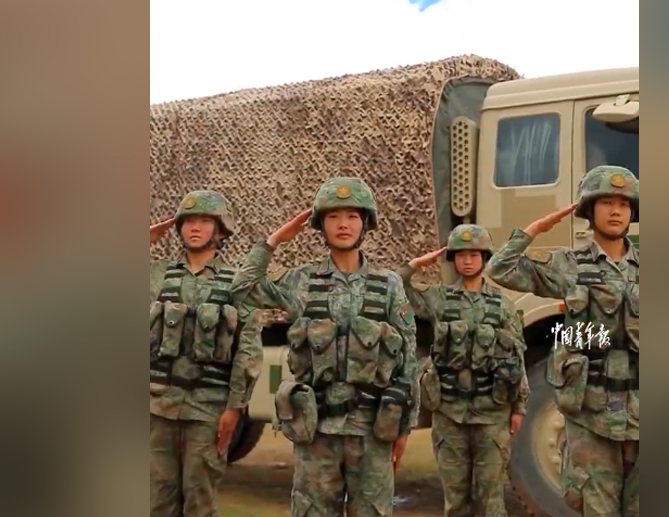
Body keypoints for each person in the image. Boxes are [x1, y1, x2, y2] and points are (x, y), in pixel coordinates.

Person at [229, 177, 419, 517]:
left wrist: (404, 426)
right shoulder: (301, 281)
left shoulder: (388, 285)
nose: (343, 224)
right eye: (333, 216)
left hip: (372, 432)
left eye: (352, 216)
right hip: (316, 433)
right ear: (320, 225)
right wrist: (273, 242)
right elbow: (240, 289)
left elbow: (407, 358)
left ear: (365, 224)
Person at [487, 165, 639, 517]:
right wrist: (534, 230)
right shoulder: (569, 265)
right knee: (596, 508)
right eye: (606, 203)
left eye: (623, 204)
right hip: (591, 412)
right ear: (588, 209)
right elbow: (500, 269)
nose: (616, 211)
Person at [398, 224, 529, 517]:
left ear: (484, 258)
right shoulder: (439, 299)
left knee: (490, 499)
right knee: (455, 499)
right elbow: (394, 289)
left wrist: (519, 407)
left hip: (492, 414)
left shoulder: (503, 306)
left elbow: (516, 356)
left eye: (474, 254)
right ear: (453, 259)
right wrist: (414, 265)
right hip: (449, 413)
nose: (467, 261)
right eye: (460, 255)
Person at [148, 190, 263, 517]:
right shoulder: (157, 275)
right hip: (158, 406)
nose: (195, 228)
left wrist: (235, 408)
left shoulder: (237, 282)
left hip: (208, 408)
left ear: (221, 230)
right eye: (187, 222)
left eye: (204, 221)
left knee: (200, 498)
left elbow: (248, 349)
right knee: (157, 499)